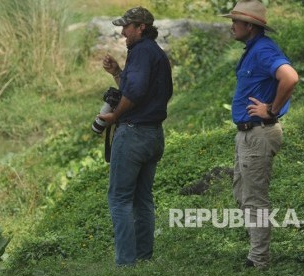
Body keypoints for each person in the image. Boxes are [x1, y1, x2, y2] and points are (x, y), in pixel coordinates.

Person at [220, 0, 299, 269]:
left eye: (235, 21)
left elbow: (290, 77)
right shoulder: (253, 49)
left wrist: (272, 110)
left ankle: (258, 259)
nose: (232, 26)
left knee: (254, 199)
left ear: (250, 26)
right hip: (247, 133)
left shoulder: (264, 50)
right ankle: (257, 247)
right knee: (242, 194)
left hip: (259, 132)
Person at [98, 6, 173, 267]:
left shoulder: (141, 52)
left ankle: (126, 263)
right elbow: (137, 91)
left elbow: (136, 94)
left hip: (133, 135)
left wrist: (114, 116)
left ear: (141, 27)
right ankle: (143, 257)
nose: (122, 32)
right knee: (142, 198)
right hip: (153, 134)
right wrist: (118, 73)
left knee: (119, 199)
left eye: (127, 27)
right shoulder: (155, 54)